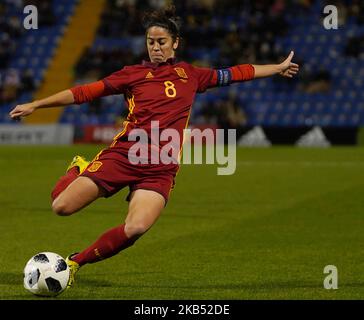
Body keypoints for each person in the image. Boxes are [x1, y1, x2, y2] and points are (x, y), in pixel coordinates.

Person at [9, 6, 299, 289]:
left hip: (160, 168)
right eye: (151, 42)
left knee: (136, 228)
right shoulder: (131, 74)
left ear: (175, 43)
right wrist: (37, 103)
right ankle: (79, 168)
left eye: (161, 42)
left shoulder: (192, 75)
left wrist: (276, 68)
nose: (155, 48)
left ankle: (73, 264)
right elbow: (83, 92)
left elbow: (237, 72)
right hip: (124, 156)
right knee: (61, 207)